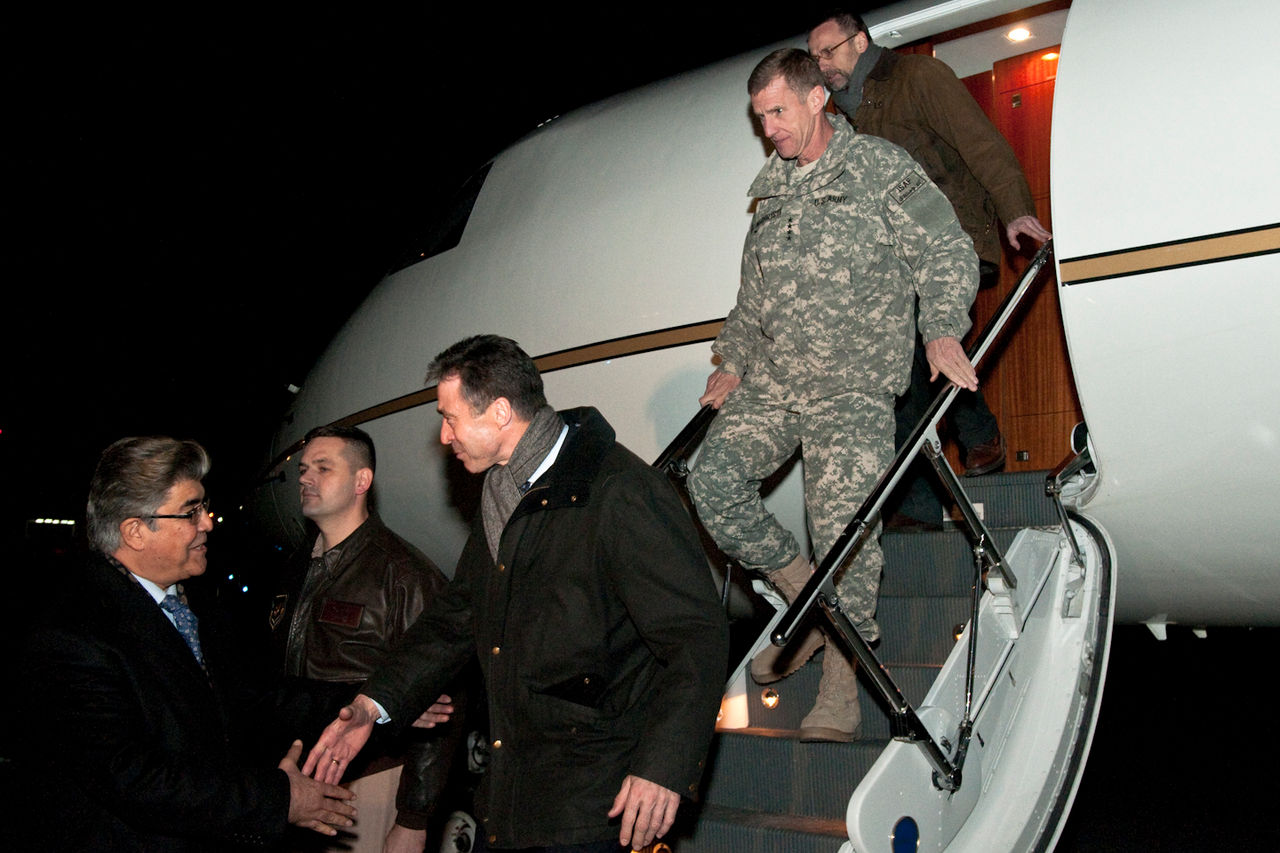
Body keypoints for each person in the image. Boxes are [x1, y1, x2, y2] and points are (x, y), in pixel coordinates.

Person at [302, 335, 729, 853]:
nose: (443, 436)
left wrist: (663, 768)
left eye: (451, 417)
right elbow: (456, 619)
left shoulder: (619, 491)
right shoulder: (505, 493)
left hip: (596, 805)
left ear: (500, 412)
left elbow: (696, 636)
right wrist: (373, 706)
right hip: (514, 800)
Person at [686, 49, 978, 742]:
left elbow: (947, 250)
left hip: (852, 386)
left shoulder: (879, 169)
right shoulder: (772, 191)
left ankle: (843, 683)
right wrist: (732, 359)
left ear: (819, 99)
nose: (769, 130)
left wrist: (940, 329)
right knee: (712, 476)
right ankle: (811, 604)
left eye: (778, 112)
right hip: (780, 382)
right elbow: (750, 300)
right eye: (760, 118)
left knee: (844, 530)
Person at [18, 436, 357, 852]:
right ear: (136, 532)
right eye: (190, 511)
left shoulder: (189, 600)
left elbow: (251, 697)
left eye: (203, 506)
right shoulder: (74, 636)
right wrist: (279, 798)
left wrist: (376, 701)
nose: (208, 523)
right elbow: (135, 780)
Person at [808, 9, 1054, 512]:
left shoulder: (918, 78)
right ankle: (919, 497)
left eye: (827, 51)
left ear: (858, 42)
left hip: (953, 235)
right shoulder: (837, 121)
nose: (821, 64)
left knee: (916, 343)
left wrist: (1015, 211)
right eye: (814, 58)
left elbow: (980, 144)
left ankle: (973, 436)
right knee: (896, 370)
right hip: (893, 257)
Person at [272, 424, 461, 853]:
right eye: (303, 469)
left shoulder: (405, 574)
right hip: (295, 780)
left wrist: (413, 819)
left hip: (368, 783)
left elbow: (441, 702)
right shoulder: (295, 568)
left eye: (323, 467)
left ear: (362, 481)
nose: (305, 478)